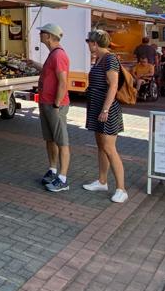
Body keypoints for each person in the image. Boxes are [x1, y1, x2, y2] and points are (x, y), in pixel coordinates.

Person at [82, 29, 128, 203]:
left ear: (94, 43)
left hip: (106, 109)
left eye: (88, 42)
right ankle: (102, 181)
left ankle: (121, 189)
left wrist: (105, 110)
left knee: (109, 148)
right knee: (101, 146)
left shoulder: (109, 59)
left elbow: (113, 86)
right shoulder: (100, 59)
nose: (87, 45)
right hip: (97, 107)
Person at [36, 23, 71, 192]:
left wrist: (56, 104)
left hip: (54, 105)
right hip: (46, 103)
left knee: (61, 141)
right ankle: (53, 169)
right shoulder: (52, 55)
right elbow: (49, 74)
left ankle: (63, 178)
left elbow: (63, 82)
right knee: (50, 139)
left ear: (49, 36)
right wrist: (33, 64)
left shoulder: (58, 56)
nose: (40, 35)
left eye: (42, 33)